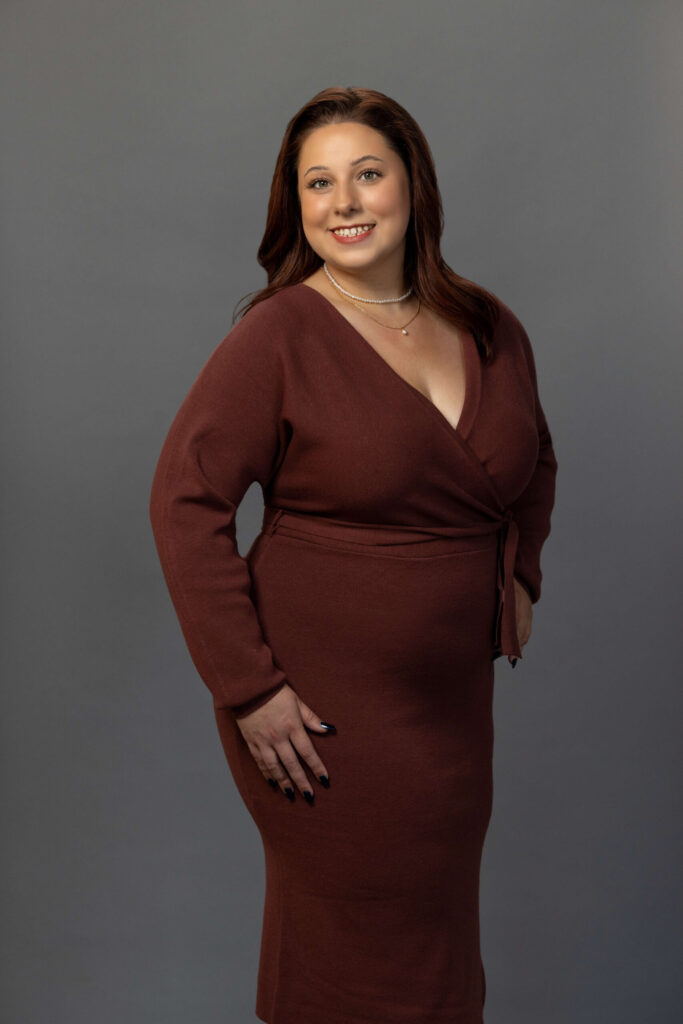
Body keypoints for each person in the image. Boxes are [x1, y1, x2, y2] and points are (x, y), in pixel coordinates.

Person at [149, 85, 558, 1024]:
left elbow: (535, 456)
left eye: (366, 174)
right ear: (295, 206)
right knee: (348, 960)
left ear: (413, 184)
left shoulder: (488, 325)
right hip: (314, 713)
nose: (343, 203)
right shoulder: (280, 333)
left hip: (452, 711)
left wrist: (519, 574)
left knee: (436, 948)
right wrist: (247, 689)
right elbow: (184, 501)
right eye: (317, 183)